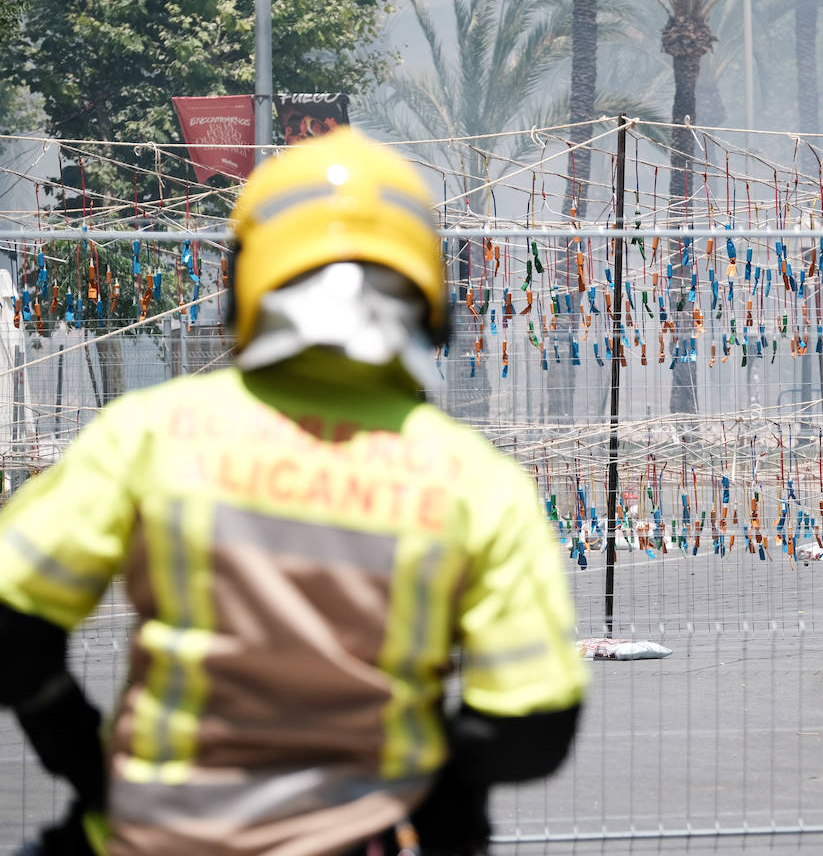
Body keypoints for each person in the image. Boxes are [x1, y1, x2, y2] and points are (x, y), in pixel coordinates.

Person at [0, 128, 586, 856]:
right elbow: (533, 725)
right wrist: (430, 799)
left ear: (248, 276)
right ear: (425, 287)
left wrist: (85, 763)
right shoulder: (477, 483)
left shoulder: (153, 435)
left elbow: (11, 620)